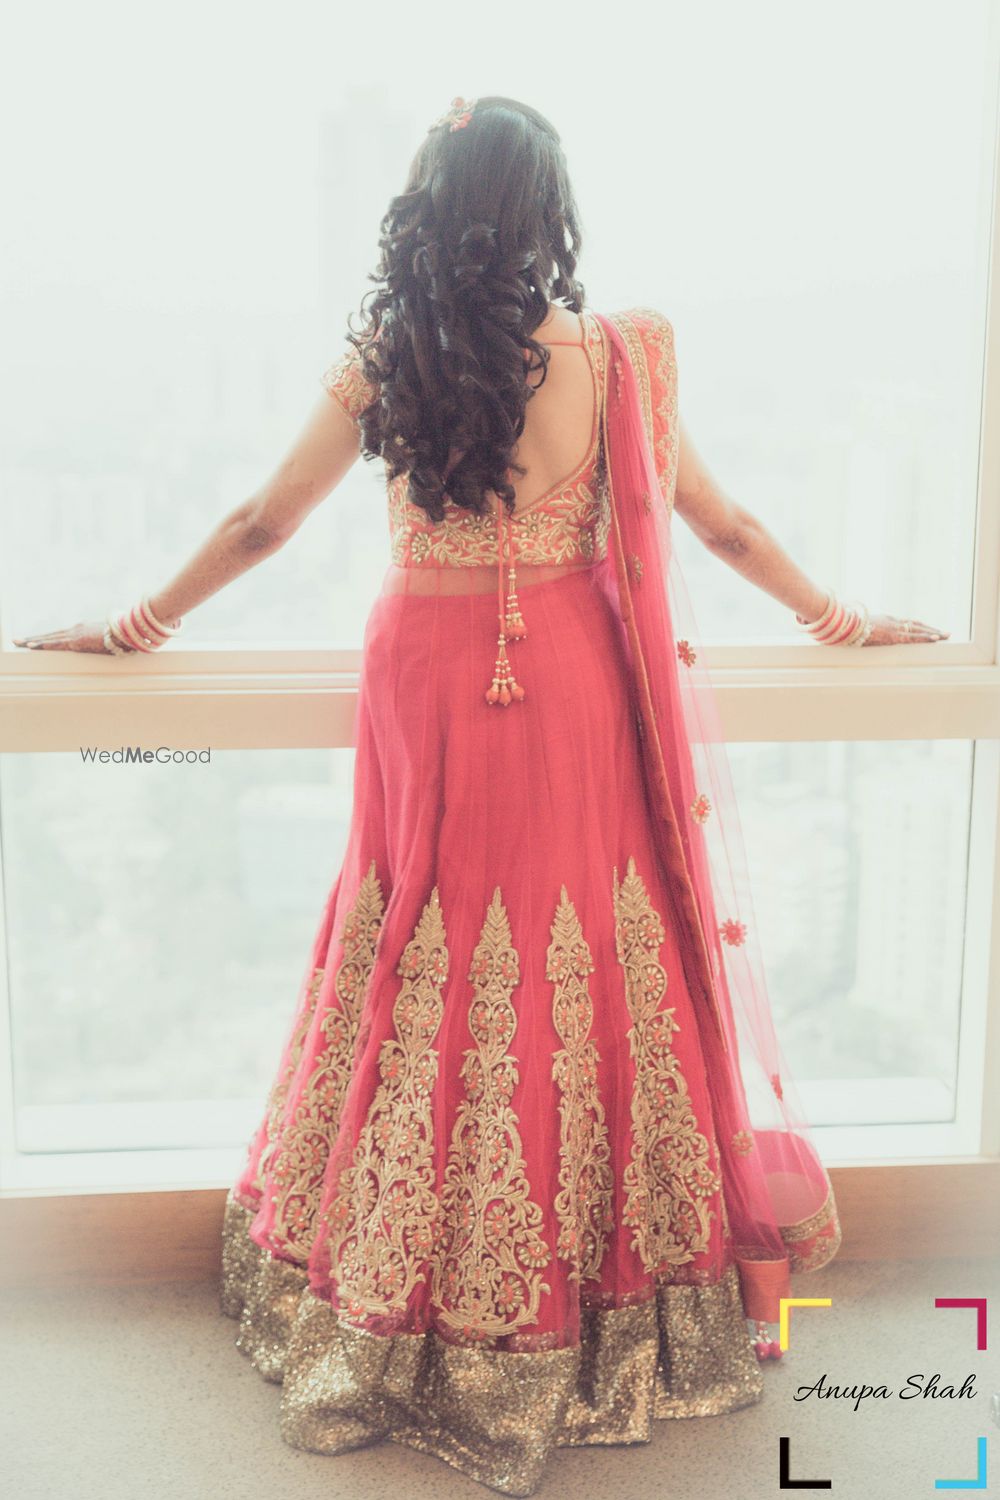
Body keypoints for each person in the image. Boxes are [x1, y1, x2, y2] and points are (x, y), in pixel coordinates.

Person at [14, 95, 948, 1497]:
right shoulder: (626, 357)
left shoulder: (390, 353)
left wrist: (136, 623)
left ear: (428, 208)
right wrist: (846, 617)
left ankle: (410, 1294)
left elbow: (264, 522)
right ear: (549, 214)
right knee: (590, 955)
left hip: (431, 678)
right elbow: (728, 524)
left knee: (418, 951)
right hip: (573, 674)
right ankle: (605, 1303)